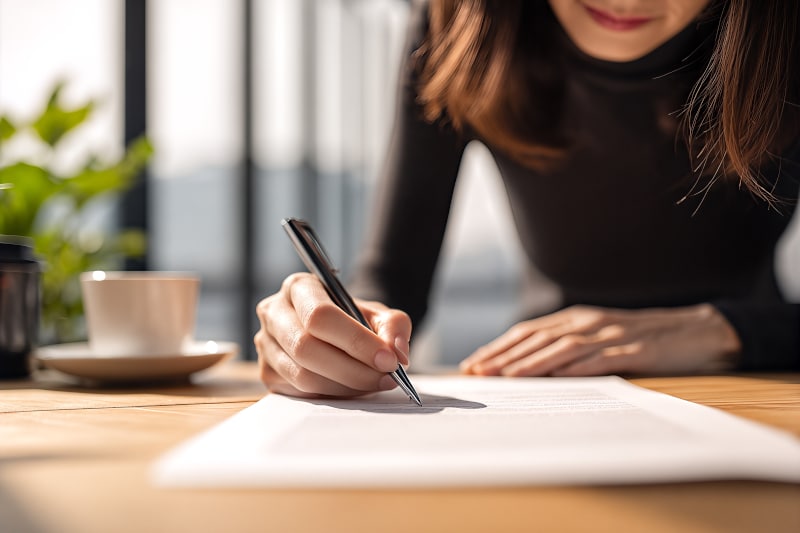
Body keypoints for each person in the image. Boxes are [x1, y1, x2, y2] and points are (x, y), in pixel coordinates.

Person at [254, 0, 800, 399]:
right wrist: (330, 332)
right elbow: (389, 284)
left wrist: (724, 330)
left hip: (765, 386)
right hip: (541, 389)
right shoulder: (464, 27)